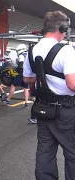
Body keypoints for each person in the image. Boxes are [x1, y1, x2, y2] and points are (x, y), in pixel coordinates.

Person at [23, 11, 75, 179]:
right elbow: (72, 84)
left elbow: (27, 78)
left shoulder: (32, 50)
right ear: (63, 28)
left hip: (43, 108)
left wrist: (45, 76)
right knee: (72, 152)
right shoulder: (66, 50)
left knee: (45, 151)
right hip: (66, 110)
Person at [1, 44, 30, 108]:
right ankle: (26, 103)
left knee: (13, 85)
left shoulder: (21, 56)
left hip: (22, 73)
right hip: (27, 73)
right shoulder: (28, 55)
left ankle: (8, 100)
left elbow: (20, 66)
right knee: (26, 88)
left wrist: (15, 71)